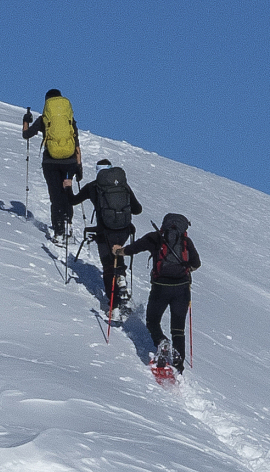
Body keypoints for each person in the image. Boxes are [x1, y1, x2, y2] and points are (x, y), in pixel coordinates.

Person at [128, 212, 201, 371]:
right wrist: (186, 270)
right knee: (178, 329)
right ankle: (178, 367)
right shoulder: (186, 242)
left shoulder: (156, 238)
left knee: (152, 321)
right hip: (182, 289)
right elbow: (196, 263)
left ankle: (161, 342)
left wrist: (119, 251)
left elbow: (135, 248)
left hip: (160, 288)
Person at [72, 158, 143, 310]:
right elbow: (138, 210)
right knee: (118, 255)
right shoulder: (123, 186)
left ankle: (114, 304)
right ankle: (122, 279)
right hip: (124, 230)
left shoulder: (92, 187)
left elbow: (72, 200)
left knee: (108, 265)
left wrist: (66, 187)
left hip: (104, 232)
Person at [21, 90, 82, 237]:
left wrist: (25, 121)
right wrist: (79, 166)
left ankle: (58, 228)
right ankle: (68, 221)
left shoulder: (44, 119)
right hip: (70, 162)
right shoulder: (69, 119)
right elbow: (77, 145)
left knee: (55, 194)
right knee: (66, 191)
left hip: (51, 163)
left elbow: (26, 135)